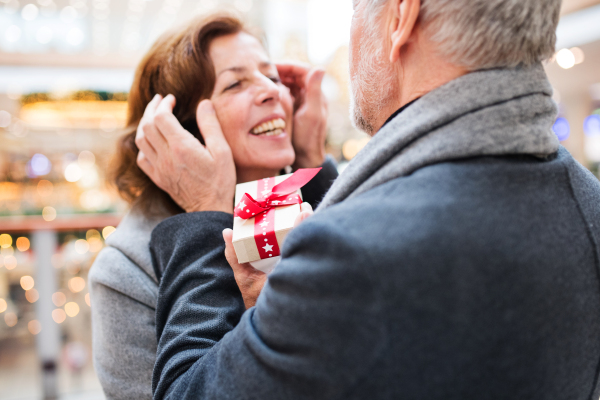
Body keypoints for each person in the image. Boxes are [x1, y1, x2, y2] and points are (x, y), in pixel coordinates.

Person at [146, 0, 600, 398]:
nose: (273, 90)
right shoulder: (588, 201)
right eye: (236, 83)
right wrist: (311, 162)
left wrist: (205, 214)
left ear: (401, 16)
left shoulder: (347, 256)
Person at [87, 14, 335, 400]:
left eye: (272, 77)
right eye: (235, 82)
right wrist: (208, 212)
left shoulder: (303, 191)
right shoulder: (125, 270)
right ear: (178, 132)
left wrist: (313, 163)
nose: (273, 92)